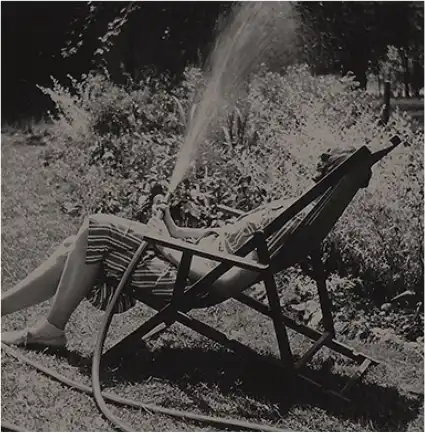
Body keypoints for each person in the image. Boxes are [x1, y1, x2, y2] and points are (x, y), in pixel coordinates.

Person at [1, 148, 367, 348]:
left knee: (96, 227)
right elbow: (220, 235)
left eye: (324, 165)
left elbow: (222, 282)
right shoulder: (296, 208)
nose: (315, 165)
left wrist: (167, 245)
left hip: (186, 279)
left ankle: (52, 328)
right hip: (181, 258)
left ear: (329, 178)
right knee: (74, 244)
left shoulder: (290, 223)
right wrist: (174, 229)